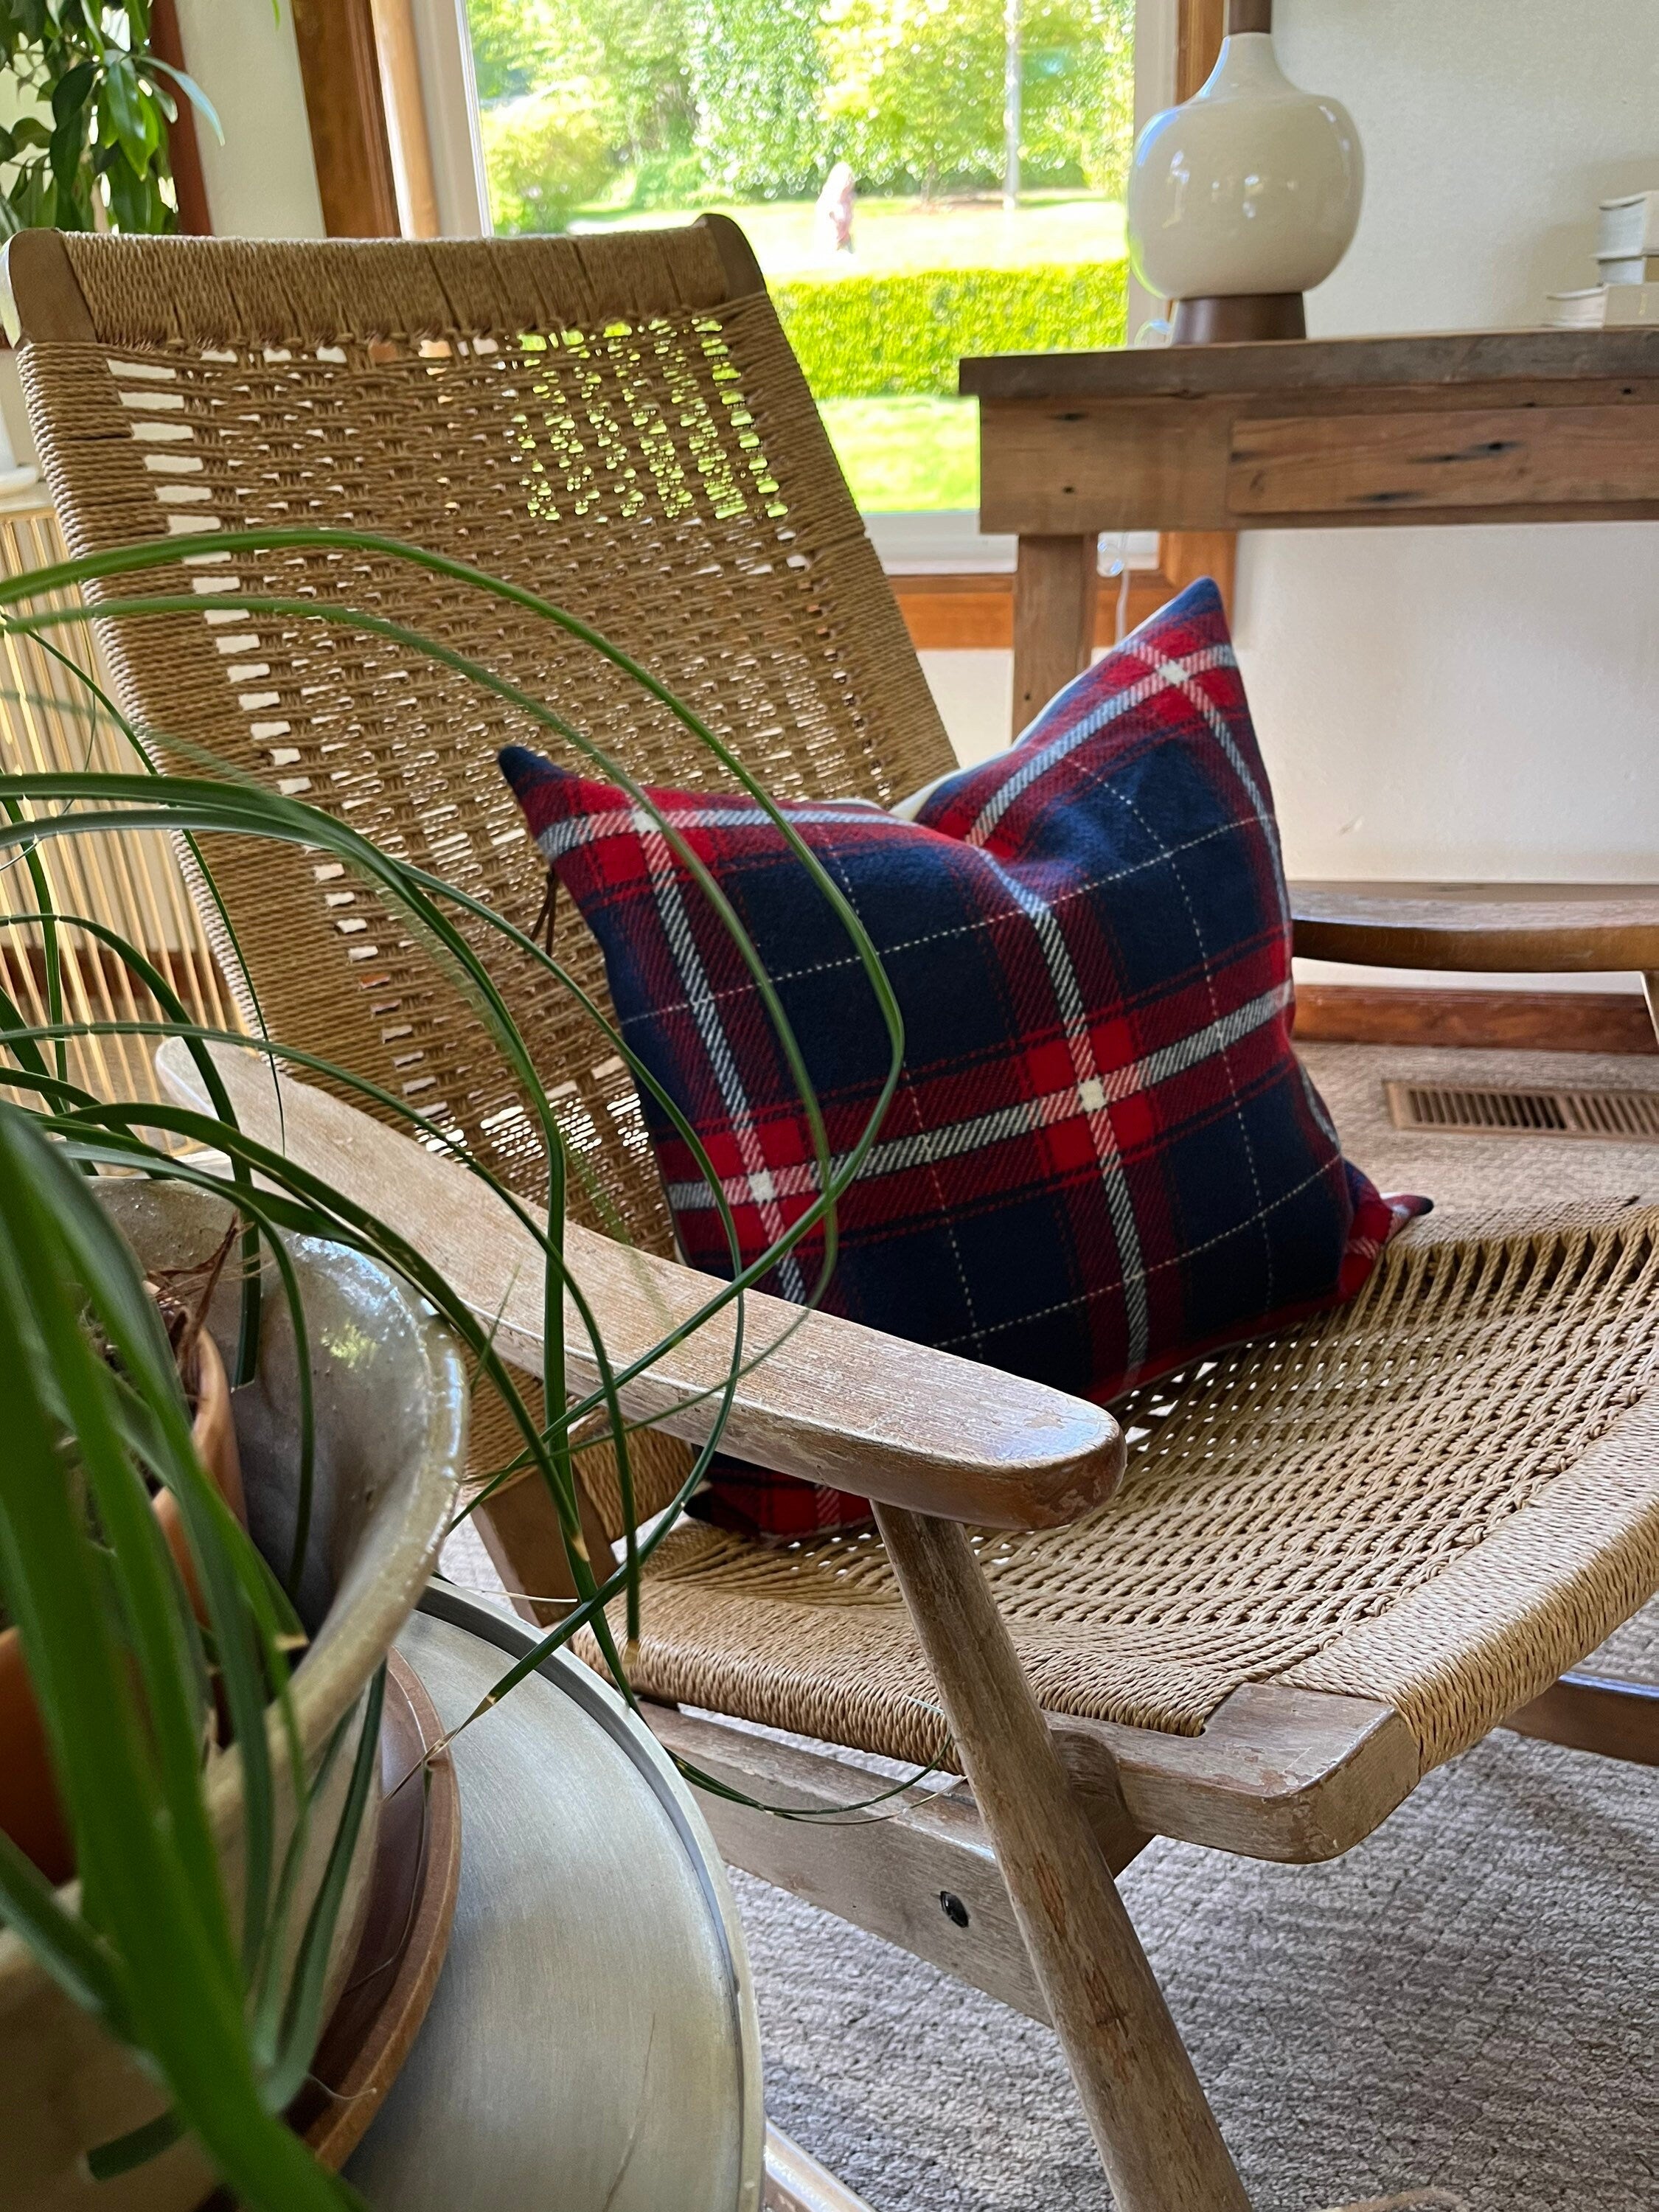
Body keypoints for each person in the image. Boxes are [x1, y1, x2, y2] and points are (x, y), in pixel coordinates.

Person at [815, 161, 855, 257]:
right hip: (833, 239)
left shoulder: (848, 200)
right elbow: (828, 223)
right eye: (847, 179)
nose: (849, 182)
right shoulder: (831, 201)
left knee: (851, 257)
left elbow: (848, 220)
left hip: (845, 239)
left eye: (851, 179)